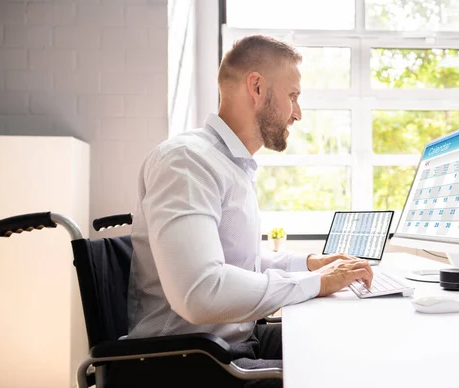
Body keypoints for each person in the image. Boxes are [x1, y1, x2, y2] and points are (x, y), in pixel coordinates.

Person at [120, 35, 373, 387]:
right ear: (256, 87)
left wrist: (309, 264)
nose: (298, 114)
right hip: (184, 364)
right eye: (293, 96)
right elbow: (201, 291)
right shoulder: (187, 161)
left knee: (354, 347)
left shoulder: (230, 164)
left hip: (230, 343)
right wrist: (316, 283)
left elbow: (237, 263)